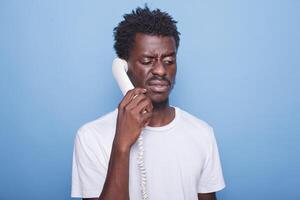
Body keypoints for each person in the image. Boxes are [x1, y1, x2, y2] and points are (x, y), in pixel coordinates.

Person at [71, 6, 225, 200]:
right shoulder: (91, 137)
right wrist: (122, 145)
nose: (161, 70)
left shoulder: (202, 133)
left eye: (169, 60)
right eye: (147, 60)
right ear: (123, 67)